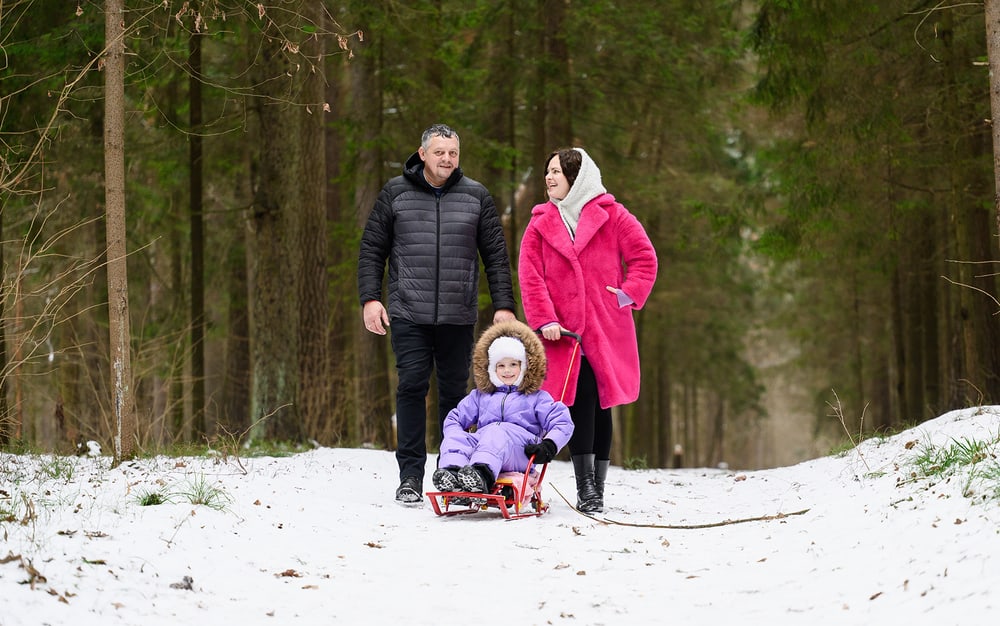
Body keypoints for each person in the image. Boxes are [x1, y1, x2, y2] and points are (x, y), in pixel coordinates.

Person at [358, 123, 517, 505]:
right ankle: (410, 475)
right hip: (408, 311)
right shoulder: (395, 193)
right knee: (411, 385)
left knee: (455, 397)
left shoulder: (476, 195)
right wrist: (370, 298)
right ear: (423, 153)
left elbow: (495, 256)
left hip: (457, 315)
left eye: (453, 153)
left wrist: (504, 306)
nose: (447, 159)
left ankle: (452, 469)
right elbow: (372, 250)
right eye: (440, 152)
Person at [518, 147, 658, 513]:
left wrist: (627, 295)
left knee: (601, 404)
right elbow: (530, 276)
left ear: (576, 178)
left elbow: (645, 258)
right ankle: (585, 488)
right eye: (546, 172)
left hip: (606, 327)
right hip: (562, 333)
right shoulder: (540, 222)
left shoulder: (613, 215)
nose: (548, 178)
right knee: (578, 401)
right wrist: (545, 319)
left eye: (556, 173)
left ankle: (597, 485)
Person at [431, 320, 574, 495]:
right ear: (491, 368)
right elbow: (455, 418)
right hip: (484, 445)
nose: (507, 370)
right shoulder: (480, 396)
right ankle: (452, 473)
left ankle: (480, 475)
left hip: (520, 451)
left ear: (525, 366)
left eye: (513, 364)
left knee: (496, 432)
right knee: (458, 437)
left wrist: (549, 445)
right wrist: (454, 435)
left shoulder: (537, 398)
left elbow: (563, 422)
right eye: (501, 365)